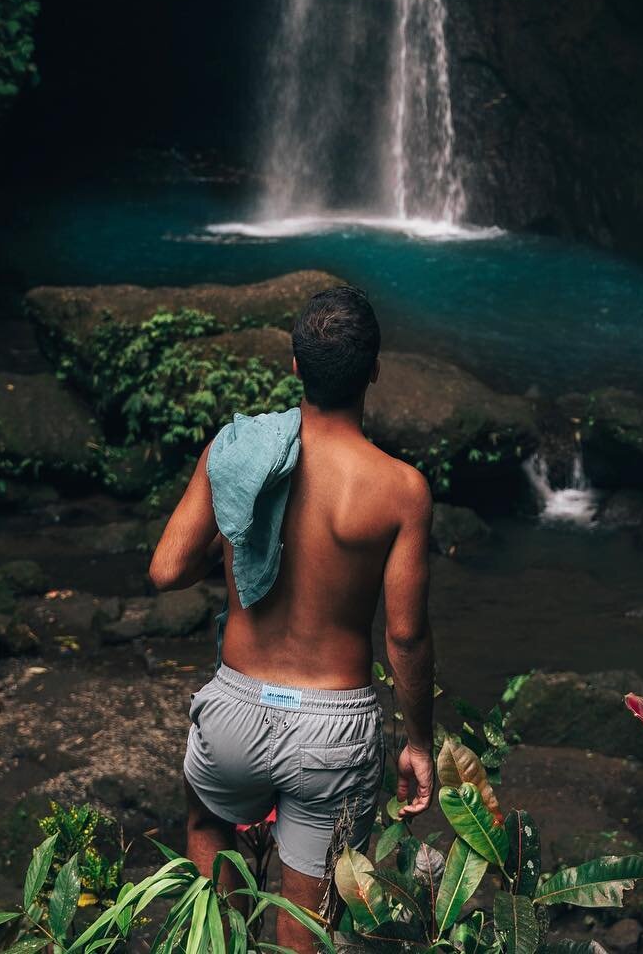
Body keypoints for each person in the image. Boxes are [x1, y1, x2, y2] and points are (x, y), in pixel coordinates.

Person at [148, 284, 435, 950]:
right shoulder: (400, 490)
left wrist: (239, 542)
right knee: (305, 934)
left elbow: (165, 569)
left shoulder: (237, 450)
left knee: (206, 826)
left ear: (296, 367)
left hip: (234, 713)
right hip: (331, 733)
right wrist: (417, 741)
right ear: (374, 370)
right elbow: (405, 636)